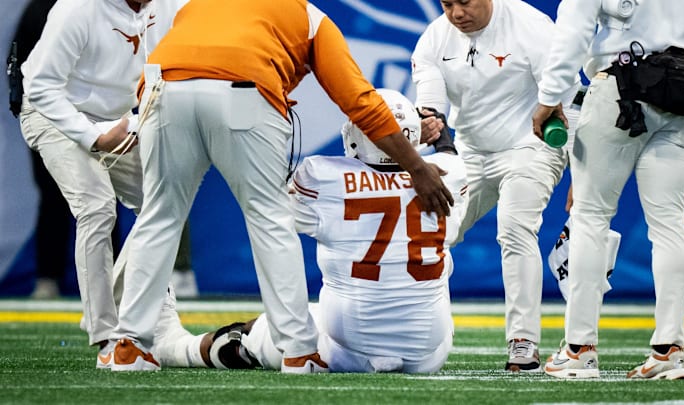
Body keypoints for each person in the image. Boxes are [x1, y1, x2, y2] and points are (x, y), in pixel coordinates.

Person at [109, 0, 454, 374]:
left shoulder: (200, 6)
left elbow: (172, 53)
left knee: (159, 216)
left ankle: (129, 345)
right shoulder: (311, 19)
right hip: (243, 91)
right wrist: (416, 165)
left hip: (162, 87)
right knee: (270, 219)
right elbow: (360, 102)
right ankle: (298, 350)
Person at [146, 88, 468, 373]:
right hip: (428, 353)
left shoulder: (323, 176)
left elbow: (270, 212)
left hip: (348, 348)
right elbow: (445, 157)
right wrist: (438, 137)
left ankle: (177, 349)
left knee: (272, 333)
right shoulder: (450, 173)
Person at [532, 0, 684, 380]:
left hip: (620, 88)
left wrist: (549, 98)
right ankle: (670, 351)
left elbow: (574, 30)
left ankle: (579, 349)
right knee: (669, 221)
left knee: (590, 217)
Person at [411, 0, 580, 372]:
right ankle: (405, 329)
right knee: (426, 230)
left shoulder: (531, 26)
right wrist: (427, 124)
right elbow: (431, 109)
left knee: (514, 228)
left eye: (465, 1)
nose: (456, 13)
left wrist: (583, 171)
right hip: (471, 151)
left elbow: (571, 99)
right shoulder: (433, 39)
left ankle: (523, 341)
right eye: (447, 3)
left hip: (532, 145)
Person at [18, 0, 188, 368]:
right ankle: (107, 335)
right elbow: (41, 85)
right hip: (53, 112)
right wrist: (93, 137)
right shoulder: (76, 9)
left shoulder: (172, 6)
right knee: (96, 206)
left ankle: (125, 305)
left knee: (167, 201)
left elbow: (201, 46)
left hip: (120, 120)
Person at [9, 0, 73, 300]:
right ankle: (48, 277)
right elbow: (19, 67)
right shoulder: (40, 10)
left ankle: (109, 282)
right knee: (54, 199)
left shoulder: (96, 10)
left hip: (94, 115)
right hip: (49, 117)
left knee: (102, 202)